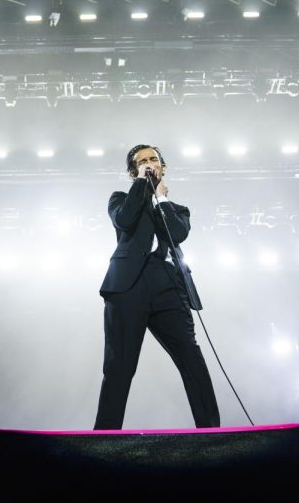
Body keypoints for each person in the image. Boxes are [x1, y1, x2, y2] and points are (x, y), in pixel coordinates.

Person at [94, 144, 220, 430]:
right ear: (132, 171)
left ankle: (211, 431)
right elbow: (125, 220)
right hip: (128, 286)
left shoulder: (177, 209)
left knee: (191, 356)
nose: (149, 163)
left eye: (154, 159)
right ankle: (105, 434)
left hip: (167, 285)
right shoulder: (119, 200)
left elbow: (177, 234)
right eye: (142, 161)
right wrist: (141, 182)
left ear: (163, 167)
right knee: (119, 366)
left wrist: (162, 199)